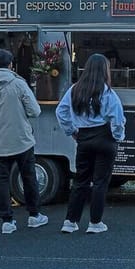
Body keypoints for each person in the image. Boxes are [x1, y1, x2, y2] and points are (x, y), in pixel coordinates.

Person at [0, 48, 48, 234]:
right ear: (10, 65)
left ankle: (7, 221)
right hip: (22, 140)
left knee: (2, 180)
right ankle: (34, 216)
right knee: (29, 177)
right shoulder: (18, 84)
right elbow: (35, 111)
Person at [55, 53, 126, 234]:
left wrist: (72, 131)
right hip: (104, 138)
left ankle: (70, 222)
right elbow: (117, 120)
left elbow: (61, 112)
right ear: (105, 71)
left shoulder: (74, 90)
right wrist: (118, 136)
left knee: (81, 180)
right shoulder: (109, 93)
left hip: (84, 139)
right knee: (100, 182)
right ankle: (95, 223)